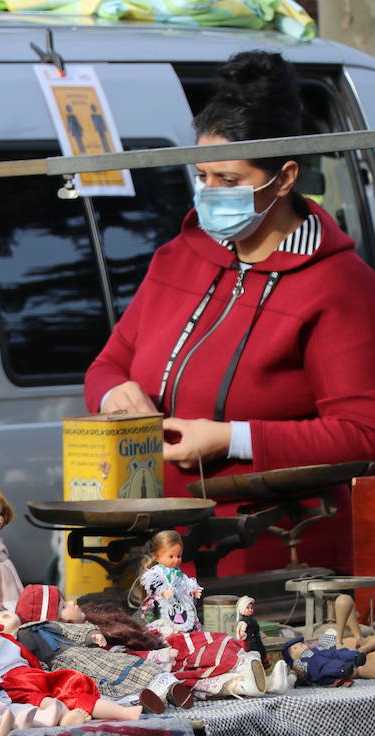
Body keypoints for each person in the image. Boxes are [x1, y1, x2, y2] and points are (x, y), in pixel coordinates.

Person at [85, 51, 375, 575]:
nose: (210, 194)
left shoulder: (341, 285)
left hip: (278, 560)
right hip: (163, 551)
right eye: (202, 176)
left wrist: (231, 438)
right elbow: (107, 364)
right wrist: (112, 392)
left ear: (284, 178)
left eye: (230, 180)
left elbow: (361, 433)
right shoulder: (178, 257)